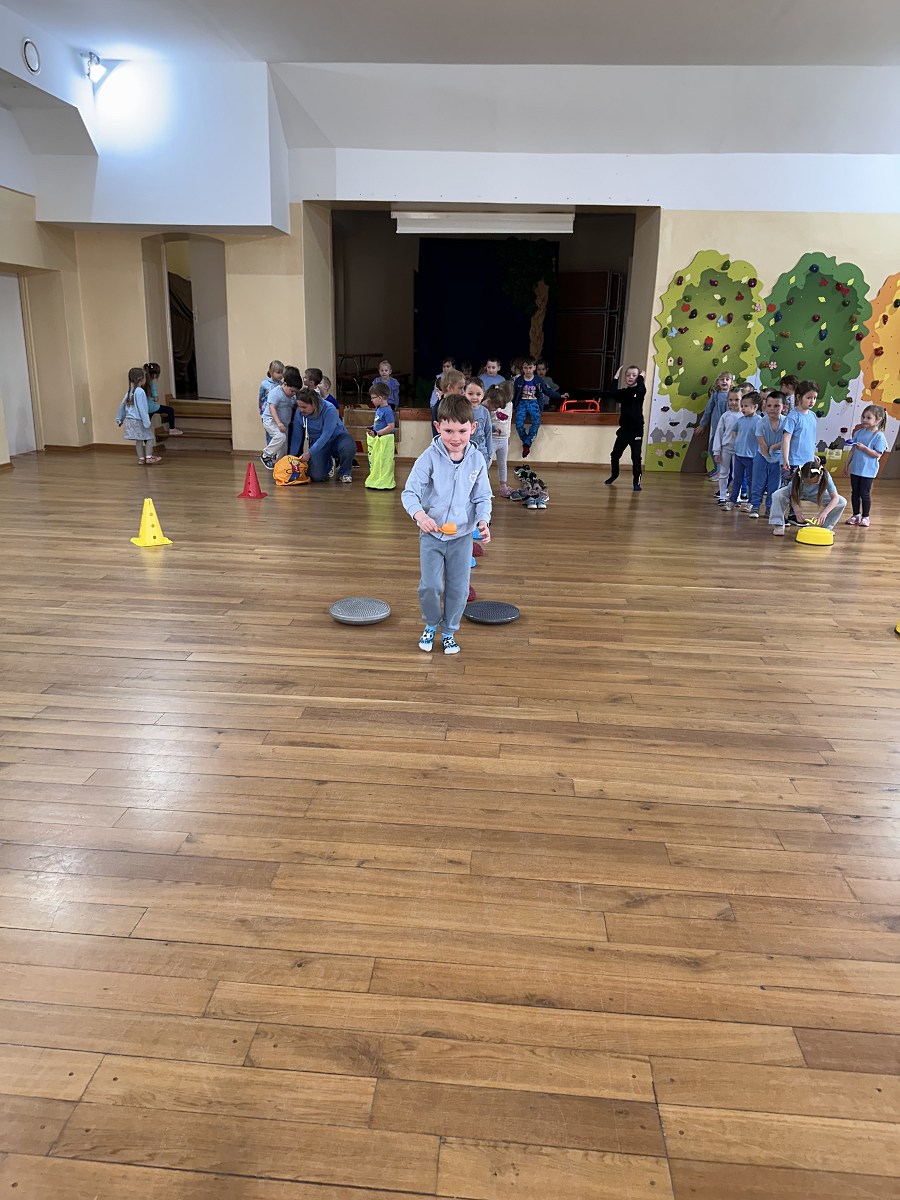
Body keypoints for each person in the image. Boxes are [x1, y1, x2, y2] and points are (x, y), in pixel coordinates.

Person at [402, 394, 492, 656]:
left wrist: (483, 520)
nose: (455, 438)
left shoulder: (477, 460)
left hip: (462, 537)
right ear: (437, 426)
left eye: (462, 431)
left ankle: (450, 631)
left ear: (472, 428)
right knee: (430, 586)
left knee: (459, 589)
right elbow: (409, 493)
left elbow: (483, 496)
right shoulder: (428, 458)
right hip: (432, 536)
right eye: (448, 431)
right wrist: (420, 516)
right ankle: (431, 623)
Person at [295, 387, 356, 482]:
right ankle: (328, 464)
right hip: (317, 441)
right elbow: (296, 436)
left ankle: (344, 472)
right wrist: (292, 457)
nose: (301, 409)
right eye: (299, 406)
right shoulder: (299, 412)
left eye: (304, 407)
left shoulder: (329, 408)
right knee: (316, 476)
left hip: (337, 437)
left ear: (313, 404)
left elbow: (326, 434)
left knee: (348, 447)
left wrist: (310, 453)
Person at [769, 460, 846, 536]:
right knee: (777, 495)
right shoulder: (797, 475)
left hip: (816, 494)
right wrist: (797, 511)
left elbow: (835, 497)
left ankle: (826, 528)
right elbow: (793, 495)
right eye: (806, 482)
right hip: (797, 493)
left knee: (841, 502)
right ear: (801, 476)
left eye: (814, 483)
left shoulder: (826, 476)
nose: (810, 485)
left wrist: (824, 513)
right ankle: (778, 524)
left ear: (820, 476)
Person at [601, 364, 645, 491]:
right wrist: (616, 376)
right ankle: (614, 475)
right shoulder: (624, 393)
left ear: (638, 378)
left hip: (636, 431)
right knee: (615, 455)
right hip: (624, 431)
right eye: (628, 375)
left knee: (636, 457)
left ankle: (636, 482)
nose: (630, 377)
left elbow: (640, 390)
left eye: (634, 375)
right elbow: (613, 392)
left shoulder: (640, 391)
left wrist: (641, 378)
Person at [844, 404, 889, 527]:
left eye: (868, 417)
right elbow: (852, 450)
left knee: (864, 494)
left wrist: (864, 448)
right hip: (856, 469)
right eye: (863, 417)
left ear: (878, 419)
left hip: (868, 471)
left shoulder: (879, 436)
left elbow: (877, 454)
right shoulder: (859, 433)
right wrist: (846, 464)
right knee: (855, 493)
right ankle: (856, 515)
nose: (864, 420)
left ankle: (865, 517)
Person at [513, 356, 567, 457]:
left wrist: (560, 395)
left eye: (530, 367)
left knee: (536, 423)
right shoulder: (518, 380)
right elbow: (514, 394)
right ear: (522, 368)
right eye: (525, 368)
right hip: (522, 403)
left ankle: (527, 443)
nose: (528, 370)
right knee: (519, 424)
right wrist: (512, 406)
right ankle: (526, 442)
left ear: (534, 367)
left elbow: (547, 391)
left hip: (534, 403)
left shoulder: (538, 380)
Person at [747, 391, 786, 518]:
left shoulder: (786, 422)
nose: (772, 409)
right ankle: (755, 506)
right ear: (765, 406)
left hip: (778, 458)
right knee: (758, 483)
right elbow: (762, 443)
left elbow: (787, 440)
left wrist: (775, 448)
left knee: (775, 486)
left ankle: (770, 507)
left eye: (776, 406)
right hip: (762, 457)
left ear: (784, 407)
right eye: (769, 405)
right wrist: (768, 457)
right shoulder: (761, 422)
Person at [693, 371, 734, 479]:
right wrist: (702, 425)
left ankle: (722, 472)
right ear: (718, 382)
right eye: (722, 379)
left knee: (725, 450)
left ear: (731, 382)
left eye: (727, 379)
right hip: (717, 427)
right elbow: (708, 411)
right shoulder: (716, 395)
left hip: (729, 428)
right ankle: (717, 469)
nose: (724, 381)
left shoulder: (733, 395)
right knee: (713, 448)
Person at [116, 367, 160, 464]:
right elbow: (142, 409)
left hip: (130, 421)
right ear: (141, 379)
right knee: (149, 437)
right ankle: (149, 457)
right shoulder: (140, 391)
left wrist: (119, 418)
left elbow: (122, 405)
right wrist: (146, 422)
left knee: (139, 440)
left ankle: (141, 459)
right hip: (139, 420)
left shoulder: (130, 391)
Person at [260, 365, 301, 468]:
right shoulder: (276, 392)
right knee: (280, 437)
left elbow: (293, 404)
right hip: (271, 420)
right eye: (292, 391)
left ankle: (279, 467)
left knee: (283, 448)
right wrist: (278, 423)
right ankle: (266, 455)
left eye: (295, 392)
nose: (293, 394)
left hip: (284, 424)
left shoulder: (291, 396)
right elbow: (272, 408)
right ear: (284, 384)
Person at [727, 391, 761, 510]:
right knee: (737, 479)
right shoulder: (740, 420)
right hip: (739, 455)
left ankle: (751, 503)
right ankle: (732, 500)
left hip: (752, 457)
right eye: (742, 406)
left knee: (751, 481)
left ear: (755, 407)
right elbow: (734, 430)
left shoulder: (759, 421)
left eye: (746, 406)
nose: (743, 408)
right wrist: (738, 441)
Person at [781, 380, 819, 477]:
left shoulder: (813, 415)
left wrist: (812, 455)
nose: (812, 401)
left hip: (808, 461)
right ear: (799, 397)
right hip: (794, 461)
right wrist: (785, 458)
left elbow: (808, 438)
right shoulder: (793, 416)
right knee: (792, 486)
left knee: (805, 486)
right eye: (808, 398)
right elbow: (786, 439)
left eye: (814, 398)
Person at [712, 389, 741, 505]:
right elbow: (718, 433)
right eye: (731, 400)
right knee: (723, 473)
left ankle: (736, 497)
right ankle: (723, 496)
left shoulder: (745, 416)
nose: (733, 402)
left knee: (737, 474)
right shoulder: (725, 416)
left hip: (739, 450)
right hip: (726, 448)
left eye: (737, 399)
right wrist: (716, 451)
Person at [485, 381, 513, 497]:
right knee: (487, 462)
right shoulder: (492, 404)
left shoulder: (510, 405)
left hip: (504, 439)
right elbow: (487, 421)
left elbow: (509, 420)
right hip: (492, 438)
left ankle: (503, 486)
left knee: (503, 463)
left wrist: (508, 435)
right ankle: (483, 483)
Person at [365, 381, 395, 490]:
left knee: (384, 461)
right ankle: (377, 480)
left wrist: (377, 433)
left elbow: (391, 426)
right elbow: (378, 422)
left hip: (385, 440)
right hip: (378, 439)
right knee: (376, 460)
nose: (371, 400)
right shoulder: (379, 409)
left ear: (380, 398)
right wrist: (373, 428)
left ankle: (385, 482)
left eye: (373, 398)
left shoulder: (388, 411)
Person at [143, 362, 182, 436]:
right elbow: (156, 399)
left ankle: (144, 434)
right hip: (152, 407)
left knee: (147, 422)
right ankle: (172, 429)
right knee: (170, 410)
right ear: (155, 375)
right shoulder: (152, 385)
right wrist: (154, 399)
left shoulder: (143, 384)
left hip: (145, 407)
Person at [464, 377, 494, 468]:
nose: (474, 397)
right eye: (470, 394)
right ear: (464, 393)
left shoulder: (485, 412)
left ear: (483, 395)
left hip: (481, 453)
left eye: (478, 394)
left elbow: (488, 433)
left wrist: (489, 455)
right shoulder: (461, 411)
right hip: (465, 453)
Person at [259, 359, 284, 445]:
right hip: (268, 413)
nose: (280, 375)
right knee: (270, 434)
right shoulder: (264, 384)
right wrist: (261, 411)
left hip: (278, 412)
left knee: (278, 433)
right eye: (278, 372)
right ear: (271, 372)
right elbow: (261, 398)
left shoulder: (281, 384)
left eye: (282, 373)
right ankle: (270, 451)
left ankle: (277, 452)